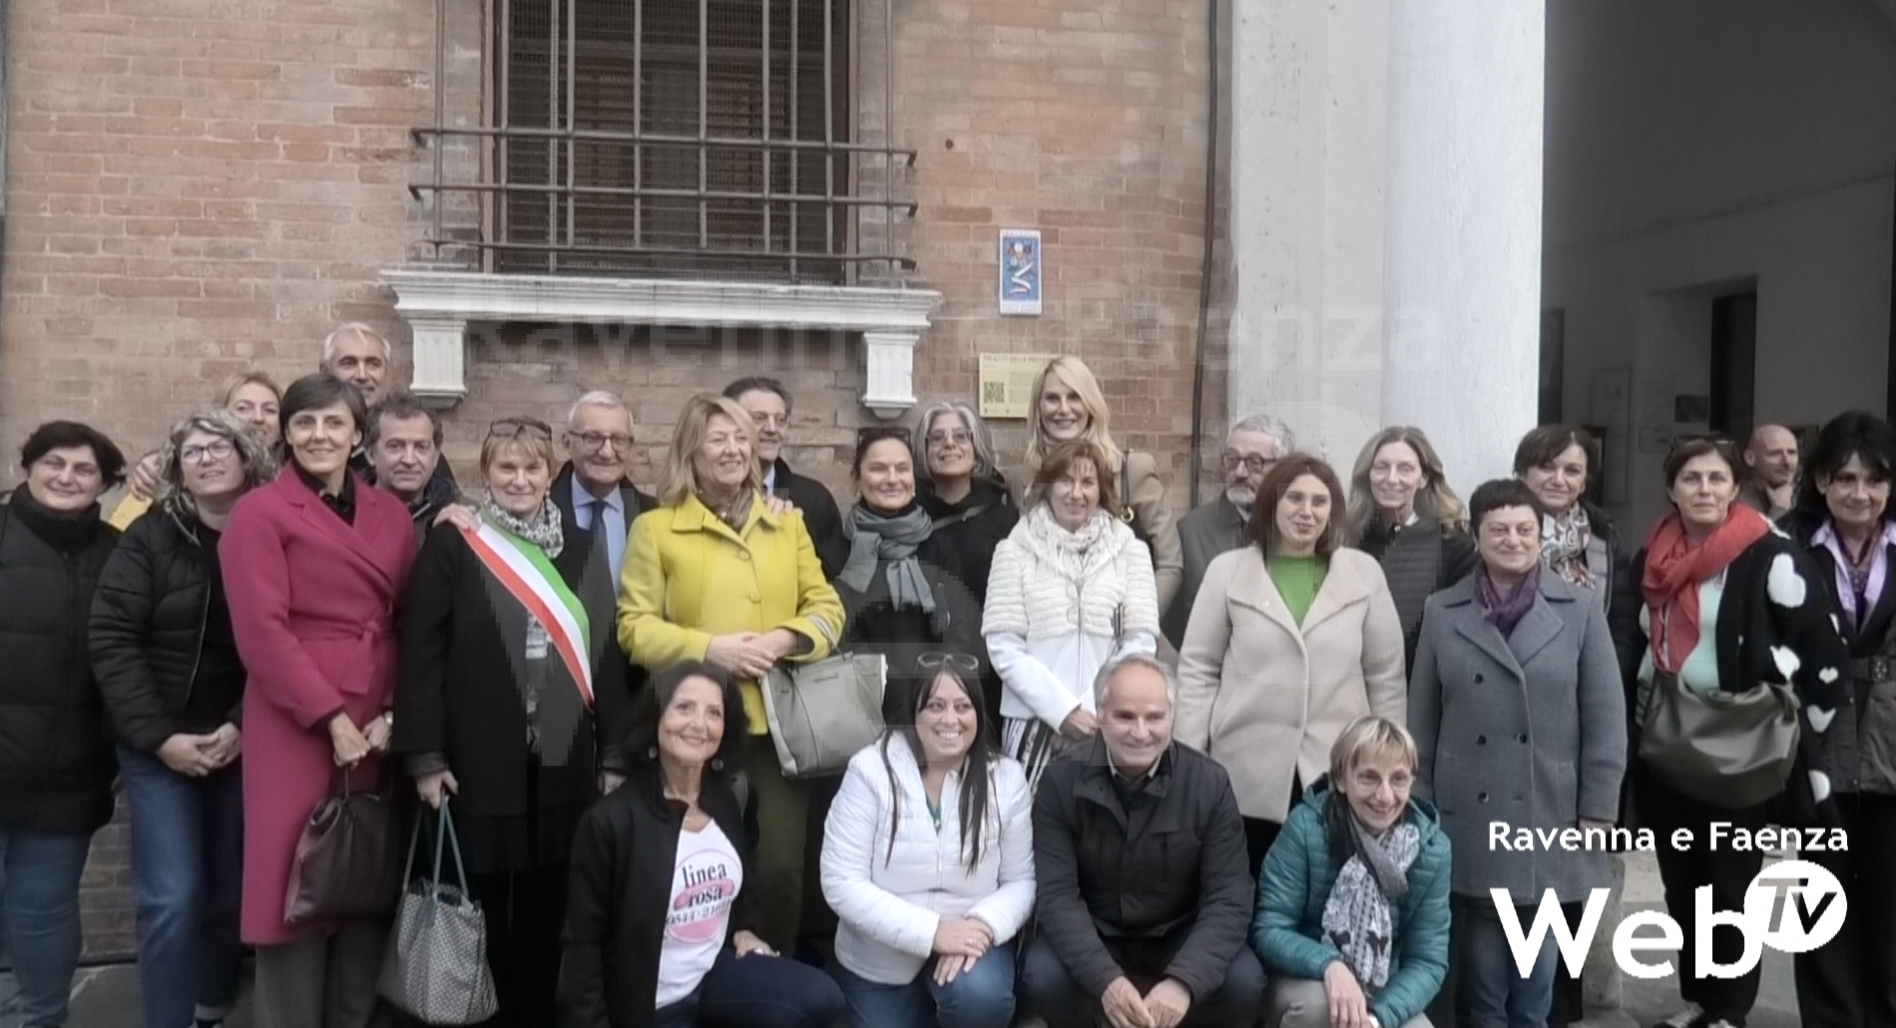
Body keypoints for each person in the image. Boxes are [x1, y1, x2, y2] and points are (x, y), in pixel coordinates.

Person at [394, 414, 632, 1028]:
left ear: (550, 473)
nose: (520, 479)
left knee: (546, 916)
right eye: (506, 467)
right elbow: (421, 654)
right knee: (480, 914)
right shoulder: (455, 543)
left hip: (561, 761)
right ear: (486, 473)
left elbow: (605, 657)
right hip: (477, 762)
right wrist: (425, 757)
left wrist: (614, 756)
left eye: (532, 467)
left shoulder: (580, 547)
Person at [1624, 437, 1847, 1028]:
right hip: (1666, 740)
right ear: (1671, 489)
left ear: (1734, 487)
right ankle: (1698, 997)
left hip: (1738, 747)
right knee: (1683, 885)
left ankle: (1730, 1009)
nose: (1704, 489)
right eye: (1691, 478)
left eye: (1716, 478)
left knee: (1729, 885)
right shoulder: (1651, 556)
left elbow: (1823, 651)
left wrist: (1791, 724)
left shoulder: (1769, 554)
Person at [221, 373, 419, 1028]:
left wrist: (393, 712)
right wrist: (329, 717)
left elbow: (411, 620)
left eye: (334, 422)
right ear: (285, 432)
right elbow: (261, 631)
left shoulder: (392, 514)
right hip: (295, 716)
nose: (319, 435)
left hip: (377, 712)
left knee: (362, 876)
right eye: (304, 422)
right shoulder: (259, 513)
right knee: (293, 884)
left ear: (358, 435)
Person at [617, 392, 845, 954]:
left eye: (741, 438)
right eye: (718, 439)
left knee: (781, 868)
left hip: (777, 729)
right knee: (692, 863)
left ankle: (767, 976)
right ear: (690, 451)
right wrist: (710, 650)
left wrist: (785, 638)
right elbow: (634, 628)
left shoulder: (786, 525)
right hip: (693, 724)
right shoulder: (655, 529)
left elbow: (828, 608)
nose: (733, 449)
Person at [1407, 478, 1627, 1028]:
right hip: (1469, 810)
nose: (1513, 540)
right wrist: (1419, 808)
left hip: (1550, 807)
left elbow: (1606, 718)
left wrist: (1599, 807)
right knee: (1483, 975)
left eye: (1524, 529)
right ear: (1476, 536)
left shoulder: (1579, 609)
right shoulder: (1442, 611)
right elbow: (1420, 725)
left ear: (1540, 533)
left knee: (1535, 975)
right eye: (1498, 530)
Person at [91, 410, 274, 1028]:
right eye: (192, 452)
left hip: (241, 739)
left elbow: (291, 637)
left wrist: (242, 723)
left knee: (227, 892)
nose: (206, 459)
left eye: (220, 447)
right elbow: (111, 636)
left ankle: (211, 1007)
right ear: (178, 468)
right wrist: (160, 737)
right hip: (158, 746)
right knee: (172, 896)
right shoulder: (151, 537)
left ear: (247, 457)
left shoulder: (272, 532)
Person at [557, 660, 846, 1028]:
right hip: (650, 1003)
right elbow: (582, 949)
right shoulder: (610, 821)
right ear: (656, 717)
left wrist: (746, 925)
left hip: (712, 977)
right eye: (684, 708)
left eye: (714, 713)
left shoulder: (728, 799)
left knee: (824, 998)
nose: (699, 724)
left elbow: (747, 866)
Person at [1175, 453, 1406, 875]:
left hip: (1337, 774)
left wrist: (1389, 768)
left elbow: (1385, 676)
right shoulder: (1227, 572)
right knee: (1245, 893)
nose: (1307, 512)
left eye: (1319, 502)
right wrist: (1189, 761)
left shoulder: (1363, 574)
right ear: (1272, 504)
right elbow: (1199, 669)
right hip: (1244, 775)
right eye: (1295, 498)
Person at [1020, 654, 1266, 1028]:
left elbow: (1229, 898)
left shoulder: (1209, 783)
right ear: (1100, 714)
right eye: (1125, 716)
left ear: (1172, 718)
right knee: (1043, 975)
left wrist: (1184, 981)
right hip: (1097, 932)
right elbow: (1057, 896)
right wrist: (1106, 980)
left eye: (1154, 717)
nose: (1140, 731)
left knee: (1244, 983)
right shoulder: (1061, 780)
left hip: (1178, 935)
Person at [821, 658, 1034, 1028]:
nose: (950, 719)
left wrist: (982, 927)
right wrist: (933, 933)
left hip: (968, 939)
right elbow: (841, 882)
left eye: (962, 706)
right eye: (935, 705)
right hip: (880, 954)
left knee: (980, 1000)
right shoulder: (869, 771)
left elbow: (1021, 880)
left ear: (978, 713)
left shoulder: (1005, 777)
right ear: (913, 711)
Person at [0, 420, 126, 1028]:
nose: (66, 477)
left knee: (43, 912)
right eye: (54, 462)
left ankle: (42, 1018)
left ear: (103, 483)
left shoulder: (118, 552)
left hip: (67, 770)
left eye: (84, 469)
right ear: (27, 467)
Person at [1777, 411, 1896, 1028]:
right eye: (1845, 478)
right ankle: (1830, 1018)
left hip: (1890, 741)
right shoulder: (1788, 546)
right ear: (1821, 480)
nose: (1860, 493)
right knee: (1823, 890)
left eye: (1874, 480)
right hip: (1817, 739)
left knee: (1889, 893)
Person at [982, 437, 1161, 792]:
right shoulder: (1012, 551)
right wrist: (1063, 711)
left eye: (1088, 482)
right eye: (1065, 481)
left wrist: (1092, 709)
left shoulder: (1131, 552)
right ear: (1047, 487)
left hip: (1107, 720)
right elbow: (1004, 645)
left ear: (1101, 490)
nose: (1076, 493)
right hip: (1033, 723)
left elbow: (1139, 642)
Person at [1253, 717, 1450, 1028]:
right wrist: (1329, 965)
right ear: (1341, 779)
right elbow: (1270, 928)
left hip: (1384, 987)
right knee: (1320, 1009)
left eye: (1399, 779)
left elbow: (1427, 960)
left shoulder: (1433, 849)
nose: (1385, 796)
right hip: (1305, 976)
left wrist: (1377, 1018)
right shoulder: (1306, 827)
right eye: (1369, 778)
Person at [835, 428, 987, 717]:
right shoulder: (838, 549)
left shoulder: (939, 545)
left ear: (914, 481)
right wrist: (892, 687)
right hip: (861, 703)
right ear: (857, 479)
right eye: (878, 469)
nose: (892, 479)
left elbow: (961, 625)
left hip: (933, 703)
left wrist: (929, 685)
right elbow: (839, 632)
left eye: (902, 469)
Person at [1026, 355, 1184, 611]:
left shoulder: (1133, 471)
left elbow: (1170, 563)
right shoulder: (1025, 479)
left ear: (1090, 404)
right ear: (1038, 408)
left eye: (1074, 397)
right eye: (1052, 398)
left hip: (1124, 626)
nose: (1063, 409)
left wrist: (1137, 622)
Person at [1345, 427, 1477, 669]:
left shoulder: (1452, 542)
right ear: (1367, 475)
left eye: (1405, 469)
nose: (1391, 479)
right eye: (1381, 467)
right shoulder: (1348, 539)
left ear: (1423, 478)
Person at [1162, 412, 1292, 648]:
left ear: (1283, 469)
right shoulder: (1192, 531)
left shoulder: (1302, 529)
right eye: (1232, 459)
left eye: (1255, 462)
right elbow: (1174, 621)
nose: (1239, 472)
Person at [112, 370, 284, 530]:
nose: (258, 418)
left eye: (270, 410)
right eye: (243, 408)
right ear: (217, 416)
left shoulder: (291, 478)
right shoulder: (163, 475)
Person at [724, 376, 848, 578]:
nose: (772, 429)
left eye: (780, 420)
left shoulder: (814, 499)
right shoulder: (705, 496)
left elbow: (828, 578)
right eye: (758, 418)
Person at [913, 400, 1019, 607]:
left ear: (975, 449)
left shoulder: (1005, 521)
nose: (949, 443)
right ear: (924, 450)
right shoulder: (910, 522)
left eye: (960, 436)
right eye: (937, 437)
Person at [553, 391, 657, 583]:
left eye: (619, 440)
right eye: (593, 438)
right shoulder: (539, 515)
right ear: (567, 444)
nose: (607, 452)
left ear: (630, 446)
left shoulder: (654, 515)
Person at [366, 393, 458, 539]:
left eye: (421, 447)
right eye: (395, 446)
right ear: (371, 454)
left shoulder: (461, 518)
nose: (409, 460)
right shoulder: (346, 514)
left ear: (435, 457)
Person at [1739, 422, 1800, 520]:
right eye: (1775, 454)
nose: (1787, 462)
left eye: (1792, 453)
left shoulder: (1809, 498)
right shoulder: (1732, 501)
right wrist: (1779, 510)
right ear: (1750, 458)